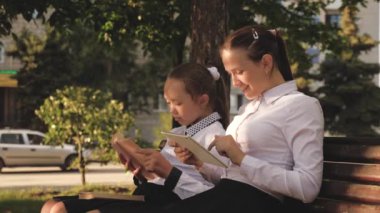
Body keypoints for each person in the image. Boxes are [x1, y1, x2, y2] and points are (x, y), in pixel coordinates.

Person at [118, 25, 324, 213]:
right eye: (230, 74)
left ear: (266, 63)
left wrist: (242, 159)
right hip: (229, 196)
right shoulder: (249, 108)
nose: (234, 83)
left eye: (239, 72)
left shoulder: (300, 106)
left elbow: (308, 187)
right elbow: (233, 174)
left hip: (254, 203)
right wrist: (199, 162)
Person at [40, 62, 229, 213]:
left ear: (203, 100)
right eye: (168, 103)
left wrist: (169, 173)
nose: (171, 111)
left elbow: (211, 199)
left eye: (177, 103)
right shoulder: (181, 132)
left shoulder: (215, 136)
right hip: (147, 195)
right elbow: (159, 177)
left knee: (62, 210)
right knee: (52, 205)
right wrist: (141, 171)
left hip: (166, 204)